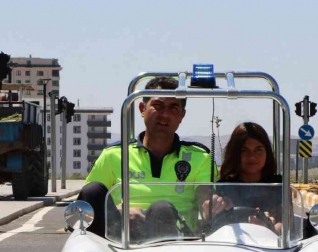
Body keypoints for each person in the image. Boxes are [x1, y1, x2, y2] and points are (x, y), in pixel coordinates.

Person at [78, 76, 226, 239]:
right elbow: (84, 208)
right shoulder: (113, 155)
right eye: (158, 106)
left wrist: (210, 204)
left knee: (161, 209)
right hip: (122, 240)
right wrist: (119, 212)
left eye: (173, 108)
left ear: (182, 115)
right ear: (142, 108)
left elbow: (205, 195)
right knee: (92, 190)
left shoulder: (201, 158)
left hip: (177, 244)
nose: (165, 115)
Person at [209, 122, 284, 233]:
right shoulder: (223, 186)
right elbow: (214, 225)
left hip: (270, 245)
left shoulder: (278, 184)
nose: (252, 157)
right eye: (244, 150)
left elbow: (286, 223)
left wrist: (268, 227)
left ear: (267, 152)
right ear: (234, 153)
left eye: (258, 150)